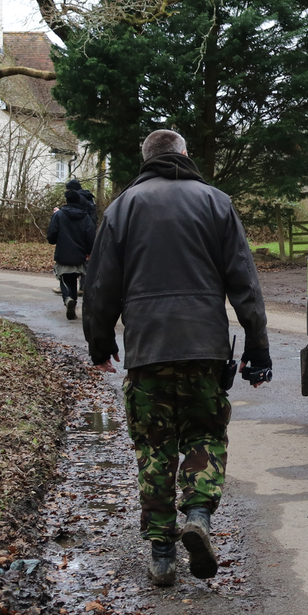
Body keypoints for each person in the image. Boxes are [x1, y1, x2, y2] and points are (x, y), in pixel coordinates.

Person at [83, 129, 271, 587]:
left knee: (154, 448)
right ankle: (200, 517)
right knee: (205, 434)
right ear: (184, 154)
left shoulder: (121, 208)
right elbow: (244, 281)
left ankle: (162, 554)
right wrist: (258, 347)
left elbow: (100, 282)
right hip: (205, 349)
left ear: (145, 158)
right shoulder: (215, 202)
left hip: (148, 352)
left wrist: (100, 341)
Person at [47, 189, 96, 320]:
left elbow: (51, 236)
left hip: (63, 253)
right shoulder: (85, 217)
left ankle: (68, 299)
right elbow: (90, 235)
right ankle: (72, 305)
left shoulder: (59, 215)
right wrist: (89, 252)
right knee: (74, 278)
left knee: (64, 278)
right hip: (80, 255)